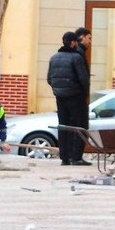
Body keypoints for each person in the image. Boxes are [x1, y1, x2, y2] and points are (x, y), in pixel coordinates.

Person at [46, 31, 91, 166]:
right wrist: (83, 93)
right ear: (73, 43)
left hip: (60, 97)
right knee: (80, 126)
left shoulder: (54, 58)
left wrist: (58, 90)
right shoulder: (76, 58)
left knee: (63, 126)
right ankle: (76, 157)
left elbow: (49, 79)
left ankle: (64, 157)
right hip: (76, 97)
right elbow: (84, 79)